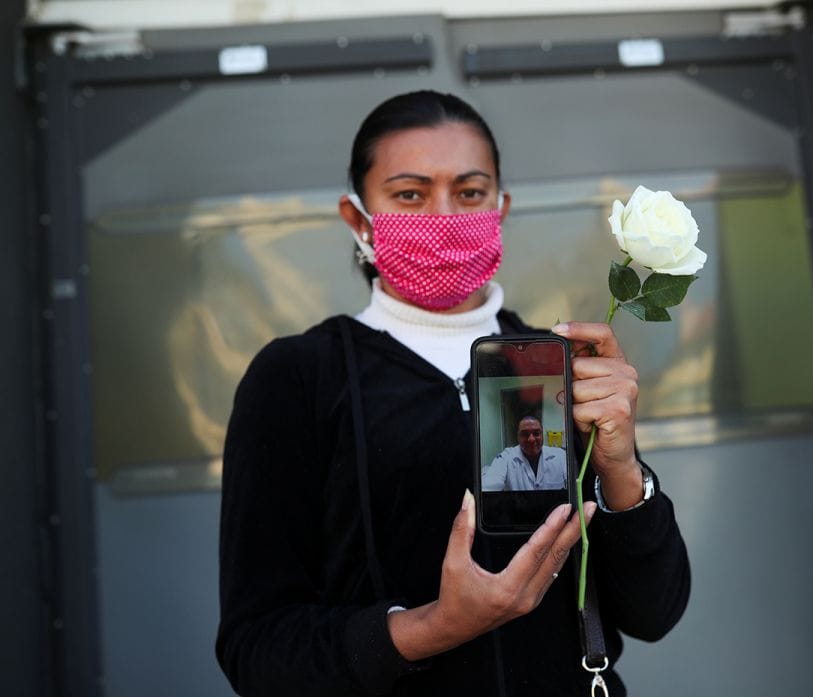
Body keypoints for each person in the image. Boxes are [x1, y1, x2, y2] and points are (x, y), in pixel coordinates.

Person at [216, 90, 690, 696]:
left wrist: (621, 464)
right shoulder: (298, 377)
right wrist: (433, 627)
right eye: (409, 194)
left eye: (469, 193)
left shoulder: (561, 366)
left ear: (500, 207)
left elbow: (656, 613)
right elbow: (256, 649)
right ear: (359, 219)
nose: (443, 215)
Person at [483, 415, 567, 491]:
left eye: (536, 433)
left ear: (542, 435)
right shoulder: (506, 457)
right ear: (518, 437)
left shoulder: (560, 456)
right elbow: (490, 484)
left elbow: (574, 487)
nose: (531, 439)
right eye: (525, 434)